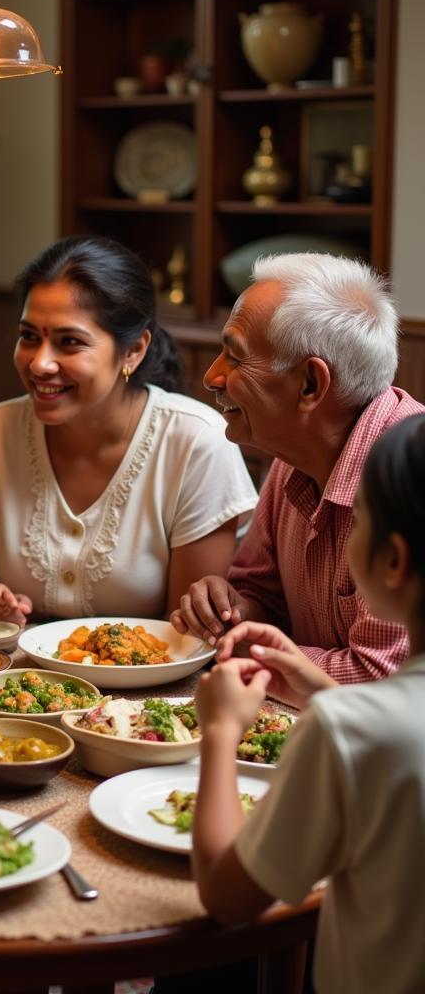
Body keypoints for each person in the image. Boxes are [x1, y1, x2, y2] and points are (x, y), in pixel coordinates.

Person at [192, 413, 425, 994]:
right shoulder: (363, 722)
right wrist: (313, 685)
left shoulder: (347, 731)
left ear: (392, 561)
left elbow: (228, 896)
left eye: (359, 523)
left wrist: (220, 734)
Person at [0, 235, 258, 622]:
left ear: (134, 350)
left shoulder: (196, 442)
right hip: (18, 676)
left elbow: (189, 637)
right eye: (28, 337)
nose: (40, 363)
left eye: (69, 342)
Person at [171, 253, 425, 683]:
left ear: (310, 384)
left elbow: (379, 679)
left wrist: (247, 646)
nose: (212, 377)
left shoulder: (407, 477)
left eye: (235, 358)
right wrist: (230, 610)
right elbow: (259, 594)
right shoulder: (295, 452)